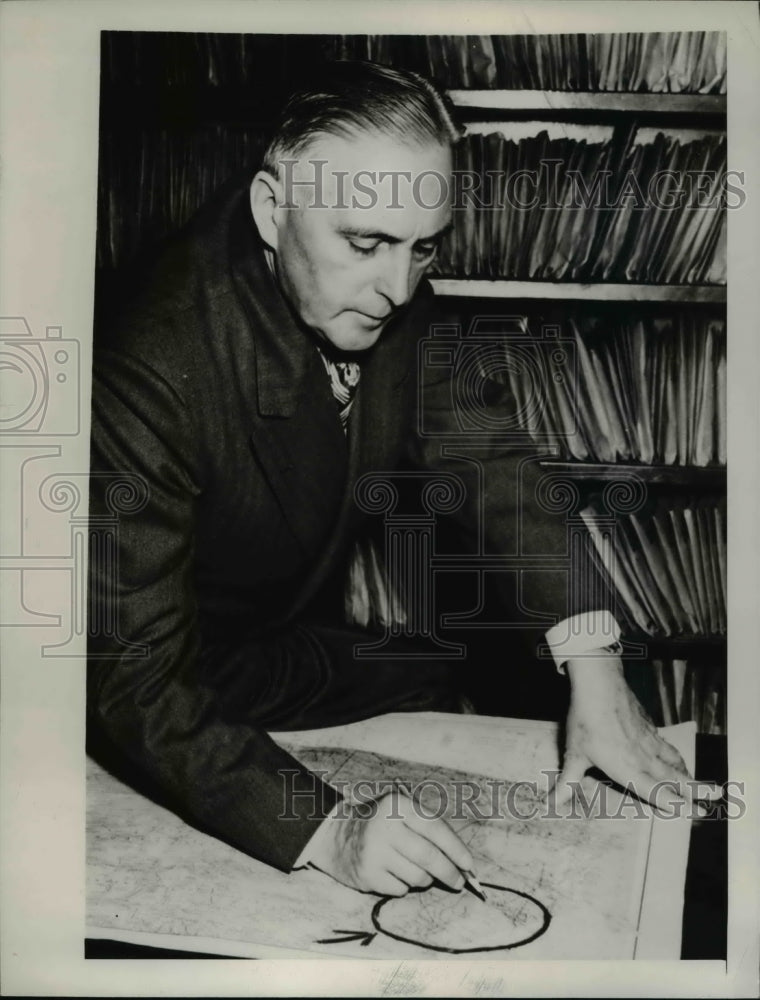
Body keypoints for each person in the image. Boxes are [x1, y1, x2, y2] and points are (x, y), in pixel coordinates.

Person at [88, 60, 697, 899]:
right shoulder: (145, 356)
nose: (399, 289)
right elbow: (132, 673)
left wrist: (594, 664)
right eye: (366, 244)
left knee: (437, 675)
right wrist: (325, 829)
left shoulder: (387, 277)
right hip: (146, 665)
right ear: (274, 208)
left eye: (423, 248)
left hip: (267, 640)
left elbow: (492, 458)